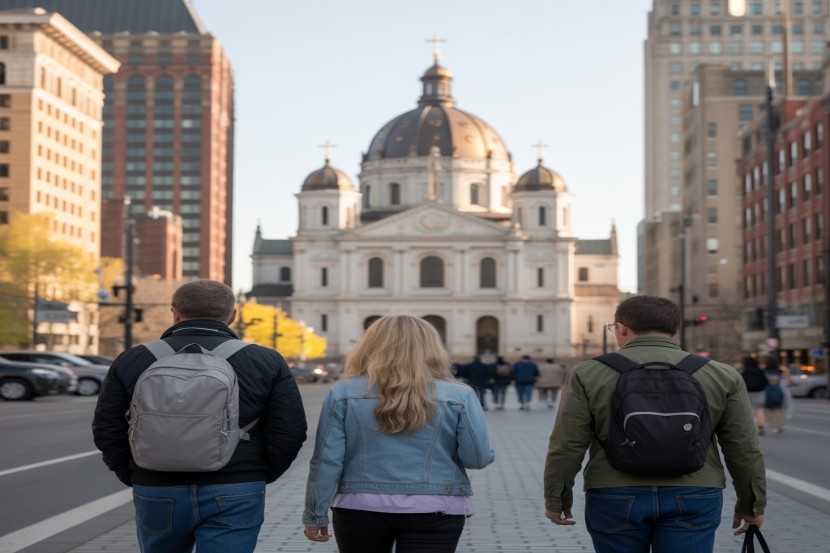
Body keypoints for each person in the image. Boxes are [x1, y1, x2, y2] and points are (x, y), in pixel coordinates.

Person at [92, 279, 308, 553]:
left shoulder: (134, 358)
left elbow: (106, 427)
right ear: (233, 316)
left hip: (156, 484)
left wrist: (134, 472)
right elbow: (290, 431)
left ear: (175, 313)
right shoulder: (265, 360)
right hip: (237, 485)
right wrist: (257, 471)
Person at [544, 295, 766, 553]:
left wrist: (557, 496)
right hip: (695, 491)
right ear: (675, 330)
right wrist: (751, 504)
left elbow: (567, 444)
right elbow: (744, 447)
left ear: (621, 328)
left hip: (614, 492)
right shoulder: (722, 374)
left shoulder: (587, 373)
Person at [302, 315, 495, 552]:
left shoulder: (343, 393)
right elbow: (477, 459)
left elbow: (326, 461)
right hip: (435, 507)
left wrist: (315, 513)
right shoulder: (459, 396)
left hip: (361, 507)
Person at [763, 355, 793, 434]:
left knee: (769, 409)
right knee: (779, 409)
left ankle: (773, 425)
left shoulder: (764, 371)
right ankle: (779, 425)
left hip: (767, 390)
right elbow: (788, 381)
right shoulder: (781, 371)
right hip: (779, 390)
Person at [740, 355, 768, 434]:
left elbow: (741, 382)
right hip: (760, 391)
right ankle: (761, 426)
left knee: (750, 409)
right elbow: (765, 381)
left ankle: (752, 427)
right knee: (760, 409)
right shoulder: (760, 371)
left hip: (748, 392)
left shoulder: (744, 371)